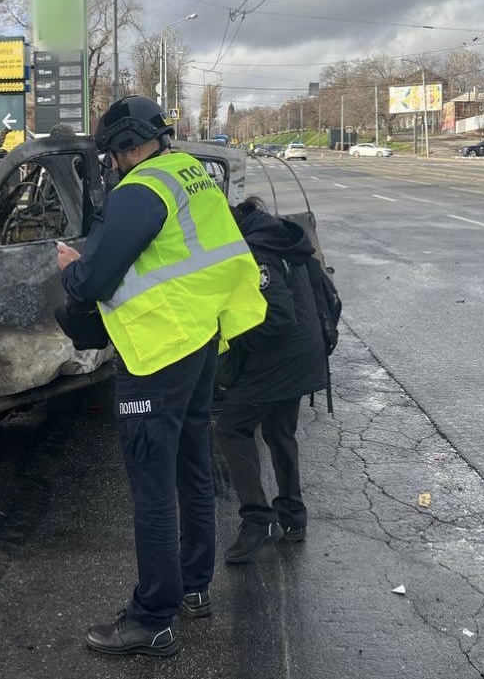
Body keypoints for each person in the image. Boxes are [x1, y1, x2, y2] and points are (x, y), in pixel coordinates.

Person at [57, 96, 267, 657]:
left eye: (113, 154)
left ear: (122, 150)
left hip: (156, 353)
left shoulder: (138, 191)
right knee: (192, 465)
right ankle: (194, 586)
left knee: (152, 486)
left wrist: (70, 268)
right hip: (198, 339)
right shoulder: (191, 174)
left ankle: (152, 619)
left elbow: (92, 281)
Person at [214, 197, 327, 564]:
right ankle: (293, 517)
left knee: (231, 427)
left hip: (282, 360)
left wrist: (233, 336)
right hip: (305, 355)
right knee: (280, 432)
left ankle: (256, 518)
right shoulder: (277, 235)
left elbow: (277, 320)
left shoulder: (257, 251)